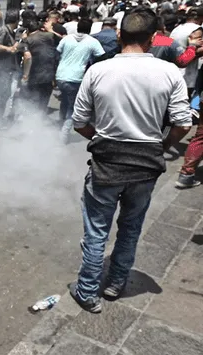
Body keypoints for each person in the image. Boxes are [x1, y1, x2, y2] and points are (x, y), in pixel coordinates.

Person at [69, 10, 191, 313]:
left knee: (97, 231)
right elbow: (183, 124)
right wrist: (163, 145)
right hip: (146, 165)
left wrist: (100, 138)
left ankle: (88, 292)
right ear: (153, 39)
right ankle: (115, 282)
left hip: (106, 164)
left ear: (120, 35)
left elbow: (79, 122)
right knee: (130, 227)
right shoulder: (170, 72)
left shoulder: (98, 71)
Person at [56, 19, 105, 143]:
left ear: (77, 27)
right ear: (90, 29)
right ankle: (64, 134)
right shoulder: (93, 42)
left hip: (60, 76)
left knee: (65, 101)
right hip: (76, 78)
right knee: (72, 107)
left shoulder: (66, 39)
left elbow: (57, 53)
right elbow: (102, 56)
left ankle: (59, 125)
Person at [20, 19, 59, 115]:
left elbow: (27, 56)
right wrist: (50, 30)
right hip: (49, 74)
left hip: (35, 75)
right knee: (44, 100)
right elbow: (62, 39)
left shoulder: (27, 40)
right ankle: (41, 119)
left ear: (28, 30)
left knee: (33, 100)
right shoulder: (49, 36)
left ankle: (33, 121)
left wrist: (25, 75)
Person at [0, 9, 21, 120]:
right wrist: (9, 49)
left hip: (7, 69)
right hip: (1, 69)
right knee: (1, 96)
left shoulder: (10, 31)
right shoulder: (3, 30)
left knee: (5, 94)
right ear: (16, 21)